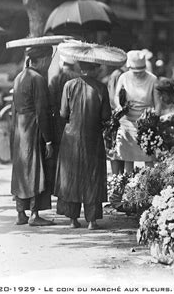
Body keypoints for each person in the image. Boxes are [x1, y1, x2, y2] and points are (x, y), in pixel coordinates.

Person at [54, 55, 112, 230]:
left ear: (80, 68)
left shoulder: (69, 86)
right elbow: (106, 116)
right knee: (92, 176)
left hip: (71, 137)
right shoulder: (101, 88)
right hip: (93, 136)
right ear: (94, 69)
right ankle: (92, 221)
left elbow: (63, 113)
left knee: (72, 175)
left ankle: (72, 219)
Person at [10, 43, 56, 226]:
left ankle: (20, 212)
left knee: (22, 169)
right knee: (36, 168)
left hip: (20, 128)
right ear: (43, 59)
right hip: (33, 128)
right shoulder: (38, 79)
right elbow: (42, 111)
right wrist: (49, 140)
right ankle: (35, 214)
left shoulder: (19, 77)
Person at [114, 50, 161, 173]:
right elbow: (117, 97)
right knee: (128, 158)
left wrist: (154, 119)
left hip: (146, 123)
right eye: (135, 72)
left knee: (148, 157)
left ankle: (150, 183)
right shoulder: (124, 77)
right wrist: (119, 107)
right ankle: (128, 184)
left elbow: (158, 103)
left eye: (141, 72)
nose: (138, 74)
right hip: (127, 122)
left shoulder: (153, 79)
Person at [48, 61, 79, 150]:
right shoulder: (79, 79)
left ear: (61, 65)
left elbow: (51, 101)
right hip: (76, 120)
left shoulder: (55, 79)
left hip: (59, 120)